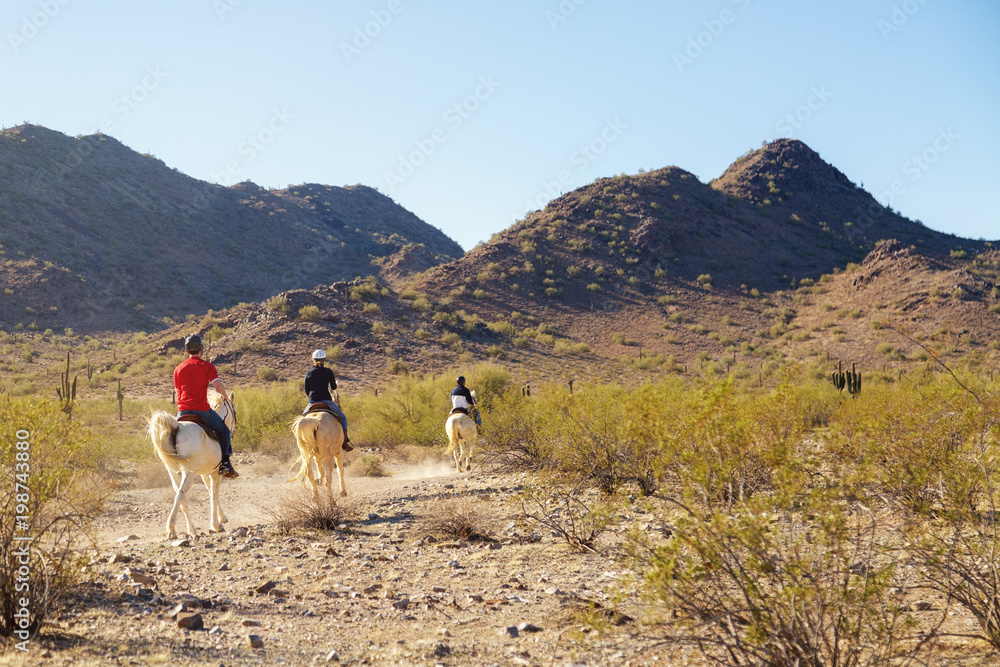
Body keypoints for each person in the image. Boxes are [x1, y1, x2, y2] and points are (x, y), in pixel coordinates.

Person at [173, 334, 238, 478]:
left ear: (187, 350)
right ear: (201, 349)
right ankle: (226, 463)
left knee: (171, 433)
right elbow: (217, 385)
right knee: (225, 430)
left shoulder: (178, 368)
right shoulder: (207, 366)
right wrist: (225, 396)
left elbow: (178, 392)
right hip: (201, 410)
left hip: (182, 411)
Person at [303, 349, 354, 452]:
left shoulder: (308, 373)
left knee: (301, 421)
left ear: (313, 360)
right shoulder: (328, 372)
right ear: (324, 360)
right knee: (343, 418)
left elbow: (306, 390)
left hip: (312, 401)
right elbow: (333, 387)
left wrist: (313, 397)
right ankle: (344, 442)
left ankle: (302, 444)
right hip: (327, 401)